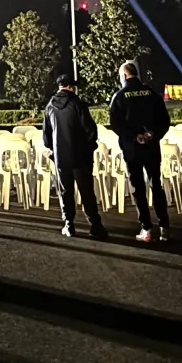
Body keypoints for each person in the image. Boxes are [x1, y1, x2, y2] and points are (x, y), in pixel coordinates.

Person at [109, 60, 172, 243]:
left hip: (133, 149)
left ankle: (146, 228)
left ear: (124, 76)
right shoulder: (151, 94)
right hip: (152, 146)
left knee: (138, 188)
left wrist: (134, 136)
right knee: (156, 185)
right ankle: (164, 227)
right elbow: (164, 120)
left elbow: (115, 123)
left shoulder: (120, 96)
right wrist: (153, 134)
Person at [42, 74, 109, 240]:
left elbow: (46, 137)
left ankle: (69, 225)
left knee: (65, 191)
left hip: (60, 157)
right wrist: (89, 148)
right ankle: (95, 225)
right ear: (71, 87)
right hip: (81, 157)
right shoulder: (78, 104)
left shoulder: (50, 106)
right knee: (87, 192)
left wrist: (54, 151)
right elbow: (90, 130)